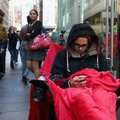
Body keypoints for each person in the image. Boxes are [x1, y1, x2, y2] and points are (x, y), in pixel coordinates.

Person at [49, 23, 110, 88]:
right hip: (70, 93)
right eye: (77, 45)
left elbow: (108, 76)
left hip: (95, 91)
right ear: (72, 42)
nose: (80, 48)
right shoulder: (62, 55)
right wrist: (69, 83)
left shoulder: (98, 55)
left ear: (89, 43)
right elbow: (54, 79)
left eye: (83, 45)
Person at [25, 9, 46, 78]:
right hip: (30, 46)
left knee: (35, 66)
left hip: (37, 46)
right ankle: (40, 76)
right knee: (28, 65)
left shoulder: (38, 23)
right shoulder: (30, 25)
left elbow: (34, 34)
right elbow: (25, 36)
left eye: (34, 14)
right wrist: (30, 34)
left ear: (37, 15)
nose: (32, 15)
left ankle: (37, 84)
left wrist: (30, 34)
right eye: (31, 14)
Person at [19, 15, 31, 84]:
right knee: (30, 62)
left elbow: (20, 37)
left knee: (24, 62)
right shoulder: (31, 28)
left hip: (22, 46)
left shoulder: (23, 27)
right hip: (28, 46)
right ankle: (25, 74)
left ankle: (23, 76)